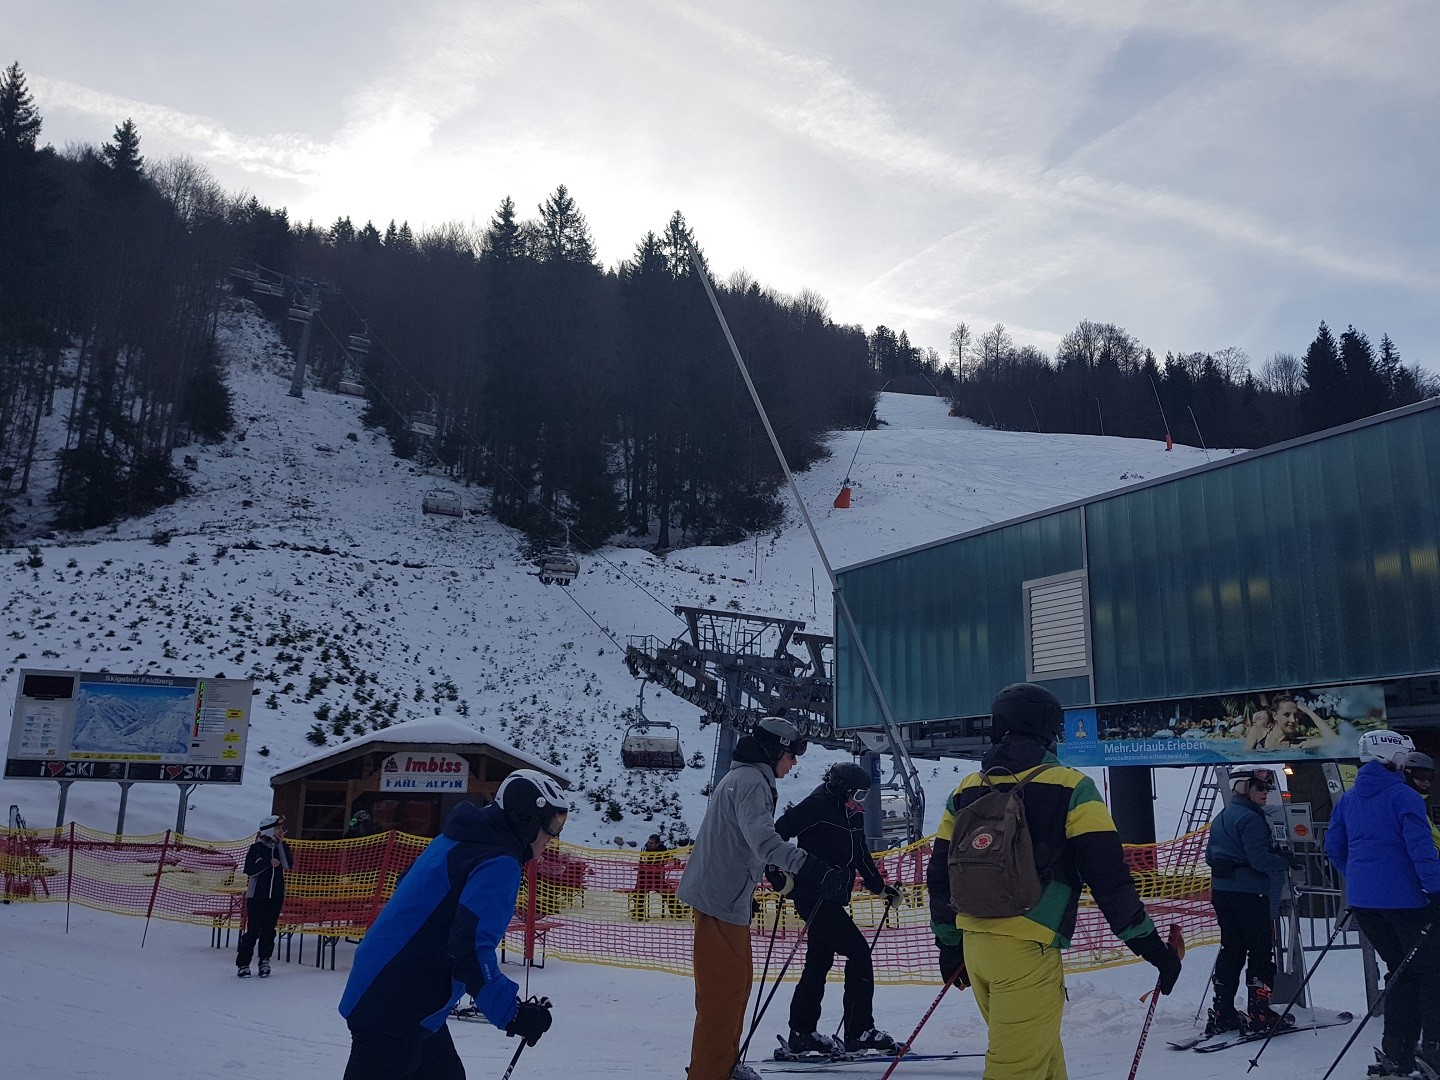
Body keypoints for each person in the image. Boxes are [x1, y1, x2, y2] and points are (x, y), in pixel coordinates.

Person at [926, 683, 1183, 1080]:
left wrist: (949, 946)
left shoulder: (966, 789)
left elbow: (940, 875)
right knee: (1015, 1070)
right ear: (1050, 729)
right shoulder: (1072, 786)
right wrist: (1155, 951)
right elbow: (1110, 880)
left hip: (974, 946)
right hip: (1028, 949)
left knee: (1043, 1062)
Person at [339, 770, 566, 1080]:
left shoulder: (460, 837)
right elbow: (471, 947)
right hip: (396, 1003)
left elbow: (409, 884)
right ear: (525, 817)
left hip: (398, 991)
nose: (554, 837)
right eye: (552, 824)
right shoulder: (498, 861)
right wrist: (513, 1016)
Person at [678, 717, 844, 1080]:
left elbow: (746, 843)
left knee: (735, 987)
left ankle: (722, 1065)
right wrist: (811, 867)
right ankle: (710, 1073)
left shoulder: (746, 779)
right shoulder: (751, 782)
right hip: (719, 899)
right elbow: (764, 841)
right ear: (773, 752)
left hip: (726, 898)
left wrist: (773, 873)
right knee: (722, 995)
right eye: (790, 755)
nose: (794, 763)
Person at [1325, 730, 1440, 1078]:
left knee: (1401, 971)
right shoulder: (1404, 797)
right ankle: (1434, 1050)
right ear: (1392, 758)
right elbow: (1420, 849)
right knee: (1432, 973)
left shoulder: (1349, 799)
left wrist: (1362, 879)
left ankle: (1397, 1054)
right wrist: (1435, 890)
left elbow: (1333, 847)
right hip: (1407, 902)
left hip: (1365, 904)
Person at [774, 761, 903, 1056]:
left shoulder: (852, 814)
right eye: (856, 795)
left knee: (819, 961)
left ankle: (802, 1032)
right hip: (811, 894)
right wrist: (779, 874)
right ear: (840, 788)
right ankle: (859, 1031)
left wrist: (880, 888)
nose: (859, 802)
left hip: (832, 896)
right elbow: (775, 835)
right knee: (858, 952)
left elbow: (860, 853)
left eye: (864, 796)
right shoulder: (816, 806)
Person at [1203, 765, 1292, 1035]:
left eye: (1267, 787)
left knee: (1232, 949)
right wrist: (1283, 861)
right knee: (1260, 951)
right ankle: (1260, 1014)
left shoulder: (1223, 815)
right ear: (1244, 788)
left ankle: (1222, 1011)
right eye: (1259, 787)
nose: (1266, 792)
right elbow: (1259, 860)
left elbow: (1210, 856)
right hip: (1251, 893)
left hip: (1223, 892)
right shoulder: (1251, 819)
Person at [237, 814, 293, 978]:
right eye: (278, 829)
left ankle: (264, 960)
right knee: (253, 930)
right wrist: (267, 863)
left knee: (269, 930)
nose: (281, 831)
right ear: (269, 830)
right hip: (257, 896)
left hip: (275, 896)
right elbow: (249, 869)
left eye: (281, 828)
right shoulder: (257, 848)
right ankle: (243, 963)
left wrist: (281, 845)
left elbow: (288, 864)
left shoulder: (282, 846)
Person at [1403, 753, 1440, 850]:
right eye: (1421, 776)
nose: (1426, 782)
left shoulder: (1418, 803)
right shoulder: (1405, 805)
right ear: (1407, 775)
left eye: (1430, 777)